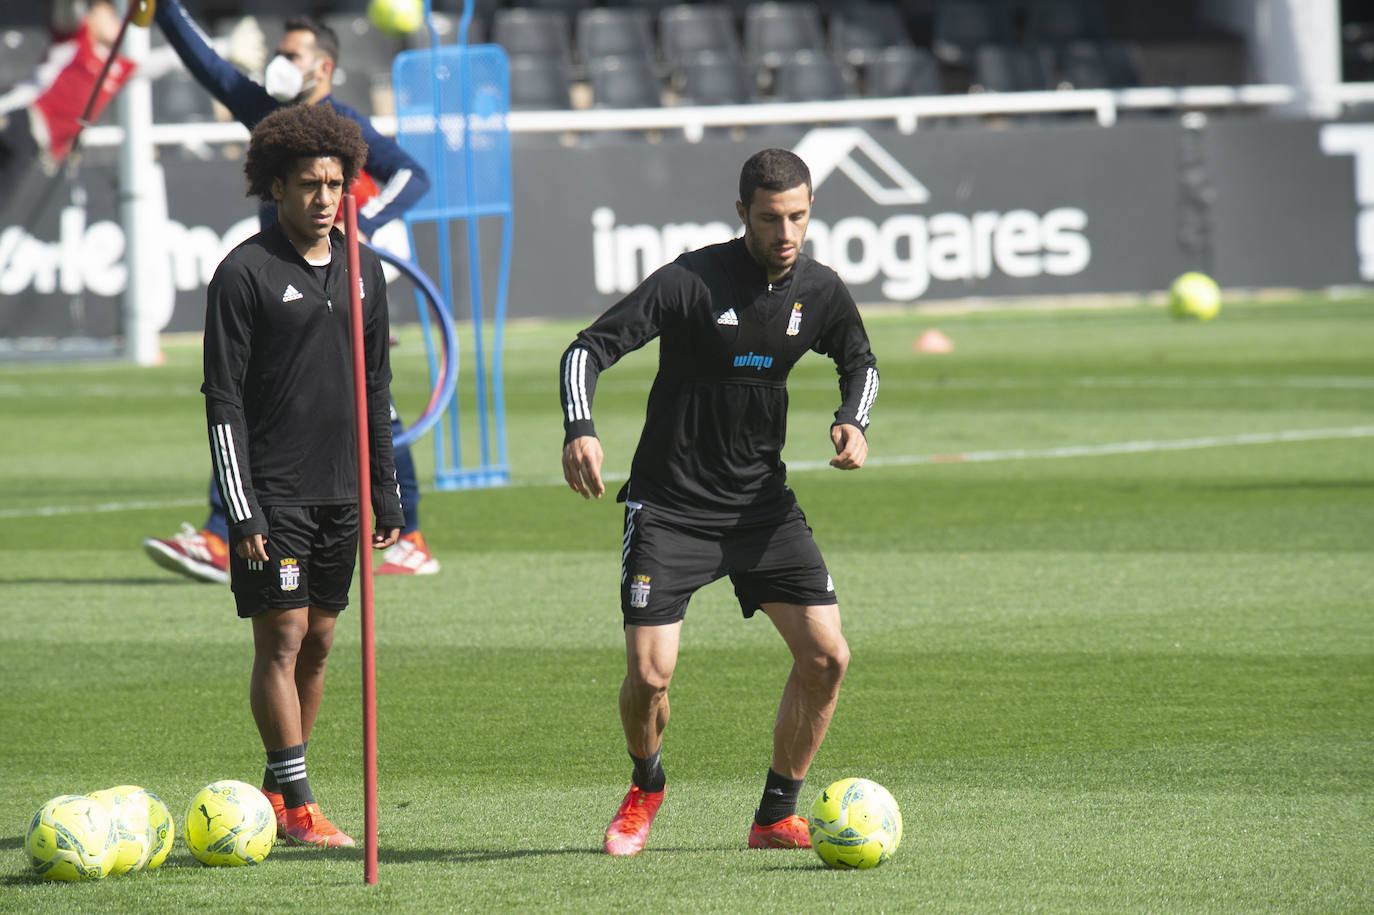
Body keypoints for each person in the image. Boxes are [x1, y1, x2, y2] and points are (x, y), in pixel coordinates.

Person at [559, 148, 880, 856]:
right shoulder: (691, 280)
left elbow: (861, 362)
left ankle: (775, 815)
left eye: (797, 216)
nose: (786, 231)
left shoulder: (820, 290)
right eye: (770, 218)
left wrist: (853, 420)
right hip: (670, 509)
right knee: (649, 677)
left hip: (761, 509)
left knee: (827, 657)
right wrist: (580, 428)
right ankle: (646, 785)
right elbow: (585, 350)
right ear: (742, 214)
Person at [142, 1, 439, 582]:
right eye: (278, 52)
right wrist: (164, 10)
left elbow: (413, 175)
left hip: (334, 283)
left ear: (323, 67)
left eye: (291, 55)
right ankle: (222, 534)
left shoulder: (343, 123)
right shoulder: (268, 113)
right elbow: (210, 67)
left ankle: (405, 534)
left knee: (367, 406)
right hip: (275, 284)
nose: (278, 62)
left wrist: (363, 222)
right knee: (256, 400)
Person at [204, 102, 402, 847]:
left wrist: (386, 489)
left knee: (319, 640)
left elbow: (376, 386)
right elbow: (222, 399)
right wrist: (241, 507)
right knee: (282, 638)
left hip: (342, 490)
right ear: (277, 187)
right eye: (309, 184)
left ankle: (274, 789)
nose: (324, 198)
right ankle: (301, 802)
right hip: (274, 491)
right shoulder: (243, 273)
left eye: (335, 184)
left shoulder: (365, 268)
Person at [0, 0, 135, 191]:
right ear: (92, 18)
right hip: (21, 120)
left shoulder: (118, 67)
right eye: (109, 16)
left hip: (37, 144)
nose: (116, 23)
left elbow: (163, 61)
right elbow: (66, 8)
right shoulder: (76, 38)